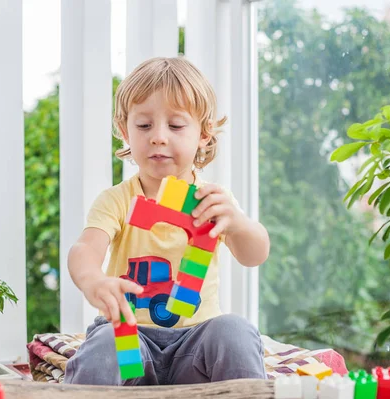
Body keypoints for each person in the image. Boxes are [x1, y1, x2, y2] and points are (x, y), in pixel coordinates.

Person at [63, 56, 270, 386]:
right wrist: (93, 281)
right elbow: (85, 248)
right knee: (105, 342)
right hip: (130, 342)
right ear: (124, 131)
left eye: (175, 126)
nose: (158, 137)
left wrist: (238, 223)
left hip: (196, 353)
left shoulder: (213, 201)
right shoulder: (117, 199)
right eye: (144, 126)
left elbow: (254, 254)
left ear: (204, 133)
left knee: (234, 330)